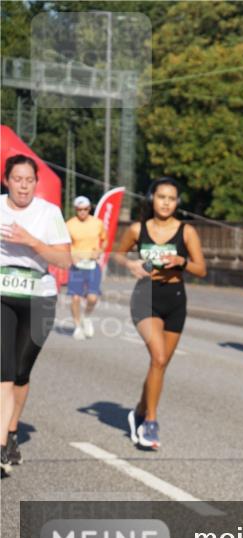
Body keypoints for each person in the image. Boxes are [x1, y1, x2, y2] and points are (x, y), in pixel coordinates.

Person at [114, 177, 206, 451]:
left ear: (177, 203)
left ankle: (139, 412)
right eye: (161, 197)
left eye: (171, 198)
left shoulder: (186, 232)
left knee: (160, 365)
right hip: (146, 297)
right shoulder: (137, 229)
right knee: (159, 357)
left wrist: (182, 261)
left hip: (175, 298)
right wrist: (130, 265)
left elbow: (201, 269)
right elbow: (117, 255)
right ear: (151, 198)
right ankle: (151, 422)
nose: (166, 203)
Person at [1, 155, 72, 475]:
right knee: (3, 372)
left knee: (20, 372)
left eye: (29, 180)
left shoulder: (49, 212)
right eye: (18, 179)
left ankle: (11, 430)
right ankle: (1, 444)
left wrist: (30, 240)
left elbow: (65, 260)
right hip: (2, 294)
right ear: (6, 181)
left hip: (39, 297)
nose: (24, 186)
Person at [65, 195, 108, 340]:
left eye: (85, 209)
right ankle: (77, 327)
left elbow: (105, 240)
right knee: (75, 298)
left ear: (89, 208)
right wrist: (71, 255)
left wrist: (100, 251)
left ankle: (87, 317)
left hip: (92, 264)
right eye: (79, 209)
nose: (82, 212)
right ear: (75, 209)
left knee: (92, 298)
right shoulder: (69, 224)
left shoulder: (97, 223)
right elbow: (64, 244)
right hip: (77, 265)